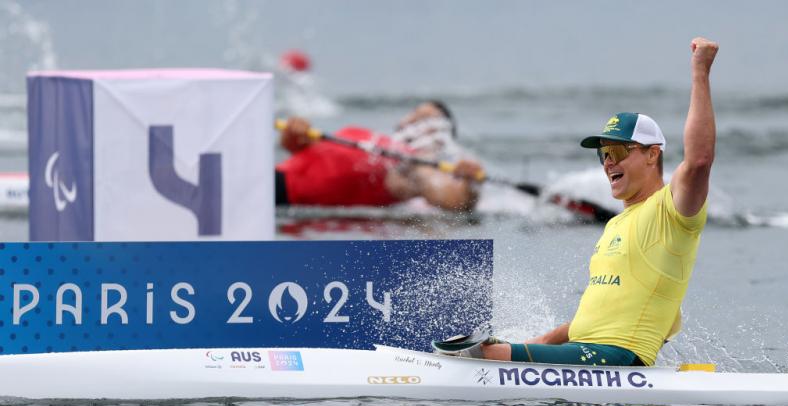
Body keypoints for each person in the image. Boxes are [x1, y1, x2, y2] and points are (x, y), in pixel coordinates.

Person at [475, 37, 719, 366]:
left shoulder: (670, 211)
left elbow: (700, 160)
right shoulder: (615, 224)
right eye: (603, 154)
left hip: (620, 356)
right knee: (491, 347)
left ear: (652, 155)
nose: (608, 163)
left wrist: (700, 71)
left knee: (485, 354)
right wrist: (547, 339)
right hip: (590, 354)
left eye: (617, 152)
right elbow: (605, 310)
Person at [275, 101, 484, 211]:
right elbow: (293, 147)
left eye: (428, 120)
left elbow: (449, 198)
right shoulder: (369, 137)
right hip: (272, 177)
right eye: (417, 113)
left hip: (284, 199)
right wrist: (294, 131)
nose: (416, 120)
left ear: (440, 139)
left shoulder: (414, 165)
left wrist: (469, 187)